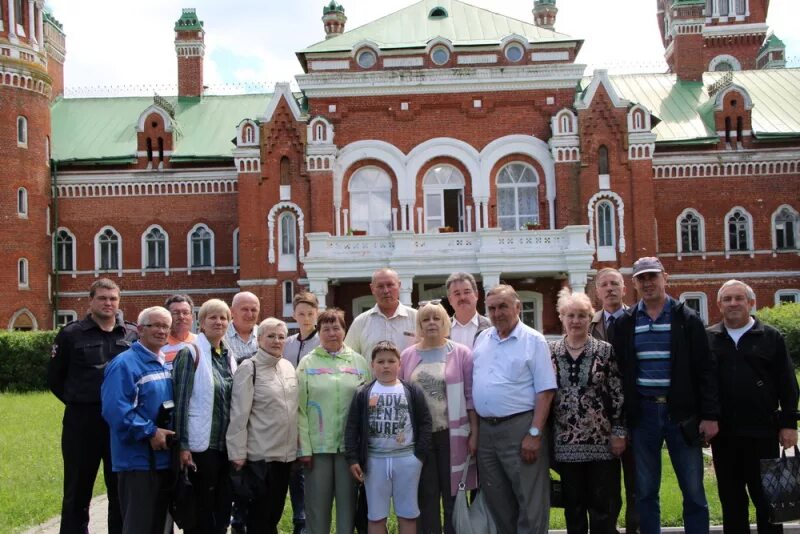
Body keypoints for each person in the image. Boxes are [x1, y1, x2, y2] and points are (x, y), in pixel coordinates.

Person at [611, 257, 719, 534]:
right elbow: (618, 376)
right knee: (645, 490)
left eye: (652, 277)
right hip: (643, 414)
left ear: (665, 278)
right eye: (642, 278)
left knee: (693, 489)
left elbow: (705, 370)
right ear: (633, 283)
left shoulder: (687, 318)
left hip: (681, 414)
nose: (648, 283)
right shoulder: (625, 322)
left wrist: (709, 415)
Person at [708, 280, 799, 534]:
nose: (733, 303)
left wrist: (789, 424)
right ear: (719, 305)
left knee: (767, 501)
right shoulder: (710, 338)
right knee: (732, 501)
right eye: (727, 299)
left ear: (751, 303)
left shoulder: (770, 336)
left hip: (763, 432)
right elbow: (702, 385)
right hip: (724, 435)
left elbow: (787, 383)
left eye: (739, 298)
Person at [47, 278, 138, 534]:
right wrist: (79, 400)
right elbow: (55, 378)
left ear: (119, 302)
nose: (108, 303)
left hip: (120, 425)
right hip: (82, 422)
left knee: (119, 490)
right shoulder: (71, 334)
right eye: (102, 298)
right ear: (91, 301)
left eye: (113, 298)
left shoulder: (131, 334)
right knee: (77, 490)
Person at [472, 284, 557, 534]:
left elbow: (546, 390)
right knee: (498, 504)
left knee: (530, 504)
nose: (497, 313)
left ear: (517, 307)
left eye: (503, 307)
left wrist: (534, 433)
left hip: (520, 429)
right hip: (487, 432)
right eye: (492, 308)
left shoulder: (533, 340)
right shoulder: (483, 338)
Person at [550, 288, 625, 534]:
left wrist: (619, 432)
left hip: (601, 442)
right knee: (574, 507)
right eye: (570, 315)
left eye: (582, 315)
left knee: (603, 506)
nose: (576, 321)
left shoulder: (605, 351)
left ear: (590, 318)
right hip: (565, 444)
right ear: (561, 317)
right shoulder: (550, 352)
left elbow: (617, 393)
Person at [399, 301, 478, 534]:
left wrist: (475, 433)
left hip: (453, 436)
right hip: (420, 438)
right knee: (426, 494)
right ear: (419, 324)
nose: (431, 323)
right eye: (426, 319)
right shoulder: (407, 356)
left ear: (445, 322)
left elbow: (470, 396)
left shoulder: (461, 353)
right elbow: (402, 398)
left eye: (436, 318)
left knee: (453, 493)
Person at [345, 341, 433, 534]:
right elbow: (352, 427)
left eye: (391, 361)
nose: (386, 365)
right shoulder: (363, 392)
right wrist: (352, 458)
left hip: (407, 459)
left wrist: (419, 456)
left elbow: (425, 422)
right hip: (375, 460)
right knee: (376, 516)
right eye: (381, 361)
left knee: (408, 513)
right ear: (372, 365)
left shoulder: (411, 391)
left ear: (399, 364)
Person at [101, 306, 175, 534]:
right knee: (139, 527)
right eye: (156, 325)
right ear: (140, 329)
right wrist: (150, 432)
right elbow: (116, 411)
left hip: (163, 460)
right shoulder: (124, 364)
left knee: (162, 527)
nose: (162, 331)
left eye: (166, 326)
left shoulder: (164, 362)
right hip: (137, 463)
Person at [297, 308, 372, 534]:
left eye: (336, 327)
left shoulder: (359, 363)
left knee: (348, 508)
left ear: (344, 330)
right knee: (317, 509)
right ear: (319, 332)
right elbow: (299, 409)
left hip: (349, 450)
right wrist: (304, 448)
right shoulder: (307, 364)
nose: (332, 333)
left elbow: (367, 407)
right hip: (317, 449)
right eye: (326, 328)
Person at [227, 317, 299, 534]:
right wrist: (237, 454)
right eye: (270, 336)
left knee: (274, 515)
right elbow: (239, 414)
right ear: (259, 339)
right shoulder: (249, 368)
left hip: (285, 457)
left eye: (281, 337)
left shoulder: (287, 367)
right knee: (259, 518)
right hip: (260, 457)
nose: (276, 341)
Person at [173, 299, 238, 534]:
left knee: (221, 509)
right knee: (200, 511)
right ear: (201, 323)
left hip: (225, 446)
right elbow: (180, 402)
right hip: (201, 446)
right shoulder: (190, 353)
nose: (218, 322)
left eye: (223, 318)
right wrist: (182, 445)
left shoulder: (228, 355)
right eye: (213, 317)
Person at [589, 268, 638, 534]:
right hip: (600, 420)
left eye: (614, 284)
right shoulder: (590, 325)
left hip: (636, 413)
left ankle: (635, 529)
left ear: (624, 288)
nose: (609, 289)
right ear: (597, 292)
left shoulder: (639, 320)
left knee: (636, 484)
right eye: (604, 285)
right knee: (606, 488)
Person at [283, 291, 320, 534]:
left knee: (312, 466)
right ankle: (299, 519)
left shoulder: (322, 340)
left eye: (310, 313)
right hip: (290, 412)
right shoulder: (287, 343)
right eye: (301, 314)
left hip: (315, 413)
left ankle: (312, 519)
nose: (305, 318)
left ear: (316, 313)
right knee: (295, 468)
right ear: (294, 314)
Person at [225, 291, 259, 534]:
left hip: (259, 420)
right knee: (233, 476)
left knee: (256, 478)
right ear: (232, 312)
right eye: (244, 309)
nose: (249, 314)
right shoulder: (222, 338)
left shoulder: (266, 336)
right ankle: (236, 524)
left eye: (253, 309)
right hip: (230, 416)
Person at [345, 268, 418, 359]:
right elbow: (347, 357)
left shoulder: (417, 318)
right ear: (372, 289)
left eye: (390, 285)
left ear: (399, 285)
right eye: (380, 286)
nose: (386, 291)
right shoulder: (360, 322)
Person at [446, 272, 491, 349]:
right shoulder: (442, 330)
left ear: (476, 295)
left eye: (467, 292)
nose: (462, 297)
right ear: (450, 300)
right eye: (457, 293)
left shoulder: (491, 327)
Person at [163, 294, 197, 371]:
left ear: (192, 317)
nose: (181, 317)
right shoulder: (159, 346)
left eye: (185, 312)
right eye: (176, 313)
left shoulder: (201, 342)